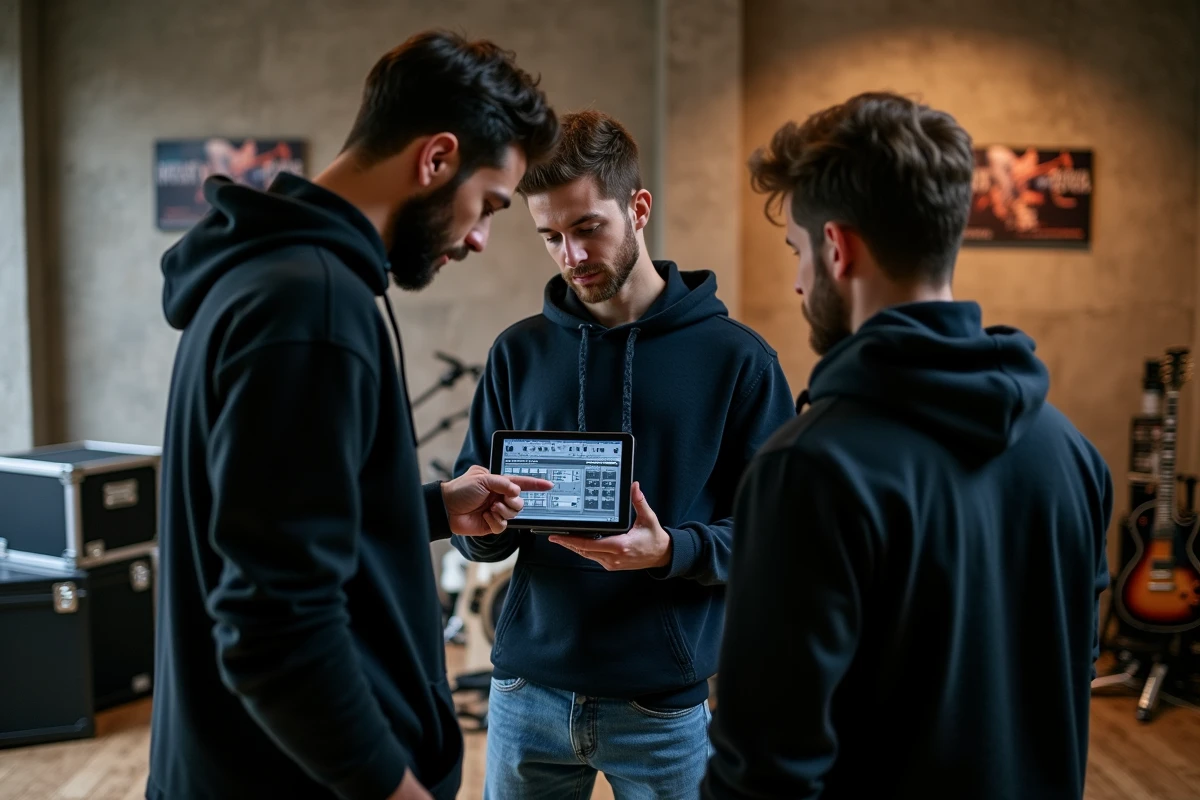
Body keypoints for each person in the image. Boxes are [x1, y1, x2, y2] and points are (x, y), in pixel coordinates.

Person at [148, 31, 559, 800]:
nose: (478, 237)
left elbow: (271, 523)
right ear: (436, 159)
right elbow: (275, 629)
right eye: (488, 205)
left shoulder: (262, 277)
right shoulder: (317, 305)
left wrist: (433, 509)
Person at [701, 91, 1113, 800]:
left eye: (798, 253)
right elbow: (1067, 682)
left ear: (838, 248)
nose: (799, 283)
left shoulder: (809, 468)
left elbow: (764, 771)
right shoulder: (1071, 451)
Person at [450, 110, 797, 799]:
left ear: (637, 208)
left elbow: (779, 539)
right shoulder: (518, 354)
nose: (572, 256)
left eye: (587, 228)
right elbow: (479, 527)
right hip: (524, 693)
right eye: (550, 236)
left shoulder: (739, 361)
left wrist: (672, 552)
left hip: (662, 704)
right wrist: (482, 530)